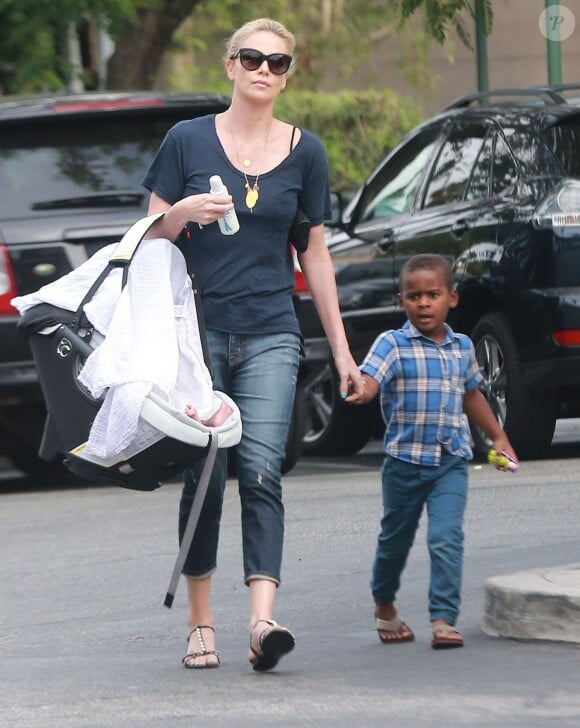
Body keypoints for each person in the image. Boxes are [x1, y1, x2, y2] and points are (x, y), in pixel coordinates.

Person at [141, 17, 364, 670]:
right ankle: (201, 620)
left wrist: (344, 352)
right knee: (205, 477)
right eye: (253, 58)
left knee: (263, 471)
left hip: (272, 332)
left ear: (288, 75)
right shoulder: (186, 141)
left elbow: (315, 256)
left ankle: (263, 622)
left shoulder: (306, 153)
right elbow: (147, 236)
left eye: (279, 62)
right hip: (198, 334)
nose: (265, 69)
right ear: (230, 67)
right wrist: (181, 214)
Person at [346, 253, 518, 649]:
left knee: (446, 537)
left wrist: (498, 436)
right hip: (404, 464)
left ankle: (443, 619)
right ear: (401, 300)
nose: (423, 303)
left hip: (450, 461)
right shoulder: (392, 343)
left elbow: (471, 394)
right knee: (394, 542)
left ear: (452, 299)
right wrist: (360, 390)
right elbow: (370, 380)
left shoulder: (461, 347)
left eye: (433, 294)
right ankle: (385, 607)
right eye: (414, 296)